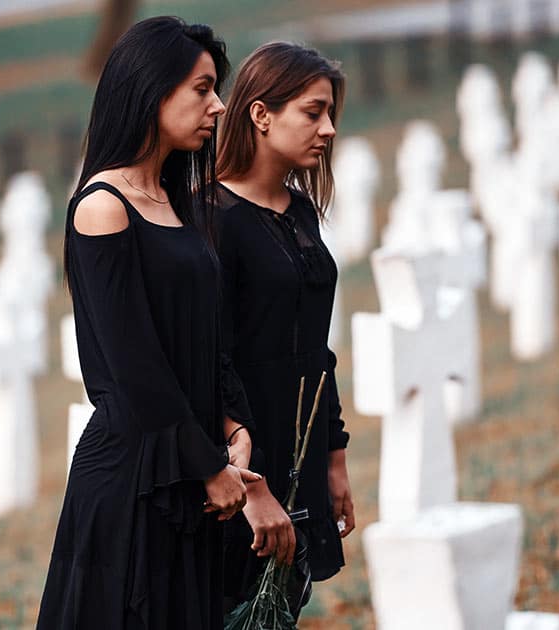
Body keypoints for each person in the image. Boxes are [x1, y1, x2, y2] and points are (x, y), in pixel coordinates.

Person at [37, 16, 260, 629]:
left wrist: (234, 422)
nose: (218, 105)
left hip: (189, 463)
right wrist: (210, 466)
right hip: (132, 477)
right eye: (202, 88)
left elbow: (206, 332)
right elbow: (136, 366)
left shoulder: (176, 198)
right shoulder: (103, 208)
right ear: (149, 90)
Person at [214, 41, 355, 616]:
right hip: (241, 462)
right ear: (261, 114)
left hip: (303, 451)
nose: (327, 130)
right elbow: (211, 361)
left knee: (283, 610)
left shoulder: (299, 213)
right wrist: (251, 483)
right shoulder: (212, 218)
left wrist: (334, 455)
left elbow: (314, 347)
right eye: (313, 112)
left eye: (330, 115)